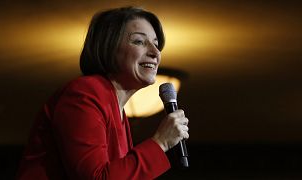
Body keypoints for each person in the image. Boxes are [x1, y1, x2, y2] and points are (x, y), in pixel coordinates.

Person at [17, 6, 189, 180]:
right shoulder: (85, 93)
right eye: (139, 41)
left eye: (156, 44)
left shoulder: (117, 109)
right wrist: (160, 143)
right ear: (110, 47)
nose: (155, 53)